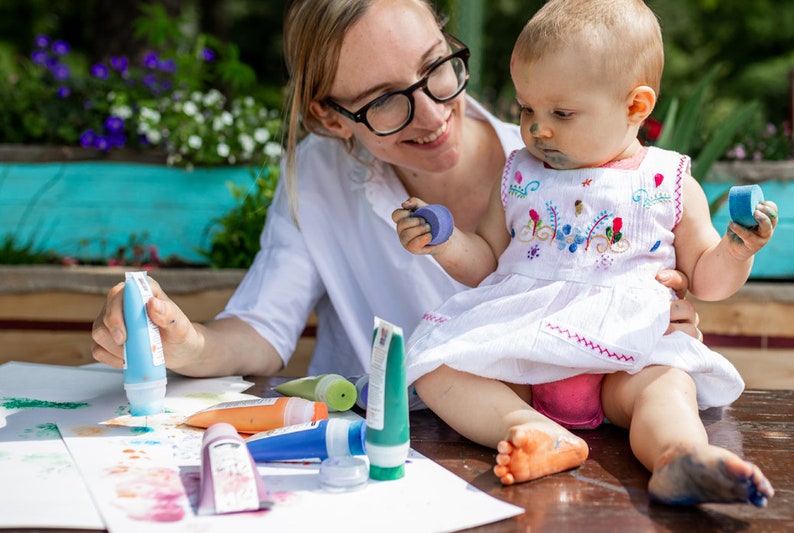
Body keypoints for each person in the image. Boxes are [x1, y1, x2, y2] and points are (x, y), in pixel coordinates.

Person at [91, 1, 697, 392]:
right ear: (330, 117)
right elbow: (262, 333)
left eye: (436, 66)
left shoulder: (570, 172)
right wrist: (183, 341)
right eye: (383, 99)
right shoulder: (322, 175)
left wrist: (653, 325)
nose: (434, 113)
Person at [393, 0, 777, 506]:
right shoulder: (519, 176)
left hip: (627, 359)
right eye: (527, 108)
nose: (539, 129)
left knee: (665, 387)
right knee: (436, 366)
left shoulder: (667, 181)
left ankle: (678, 455)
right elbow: (486, 261)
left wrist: (736, 248)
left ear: (635, 106)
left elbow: (706, 280)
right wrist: (443, 241)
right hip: (523, 358)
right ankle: (527, 428)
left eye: (562, 113)